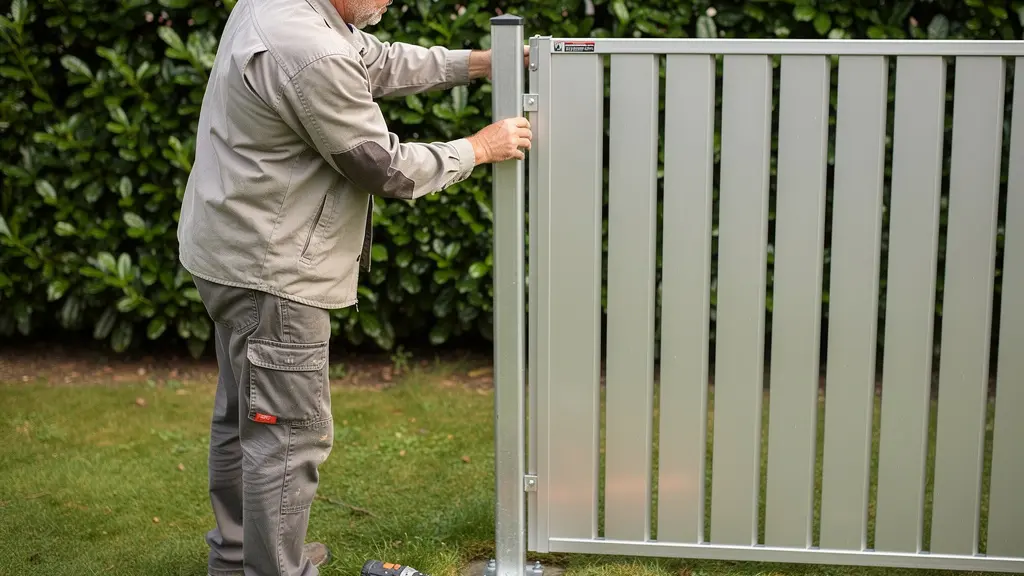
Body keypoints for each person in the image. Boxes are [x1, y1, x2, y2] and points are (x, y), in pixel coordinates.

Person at [175, 0, 531, 574]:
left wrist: (480, 64)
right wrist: (479, 148)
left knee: (245, 418)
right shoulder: (309, 49)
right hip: (275, 273)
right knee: (287, 438)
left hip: (228, 249)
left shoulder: (284, 8)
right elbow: (381, 167)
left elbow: (374, 62)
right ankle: (276, 568)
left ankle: (244, 556)